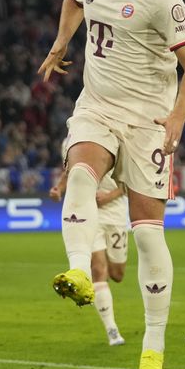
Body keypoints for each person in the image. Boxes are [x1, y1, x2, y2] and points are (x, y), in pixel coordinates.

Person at [37, 0, 185, 369]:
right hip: (98, 107)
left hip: (149, 123)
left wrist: (177, 116)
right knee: (81, 172)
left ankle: (152, 348)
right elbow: (73, 1)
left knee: (149, 235)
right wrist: (61, 41)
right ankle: (77, 271)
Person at [51, 140, 129, 346]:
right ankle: (112, 330)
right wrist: (59, 188)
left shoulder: (119, 138)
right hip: (86, 212)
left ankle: (103, 292)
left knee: (117, 274)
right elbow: (71, 171)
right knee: (98, 268)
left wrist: (109, 196)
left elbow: (129, 181)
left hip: (115, 213)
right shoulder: (70, 141)